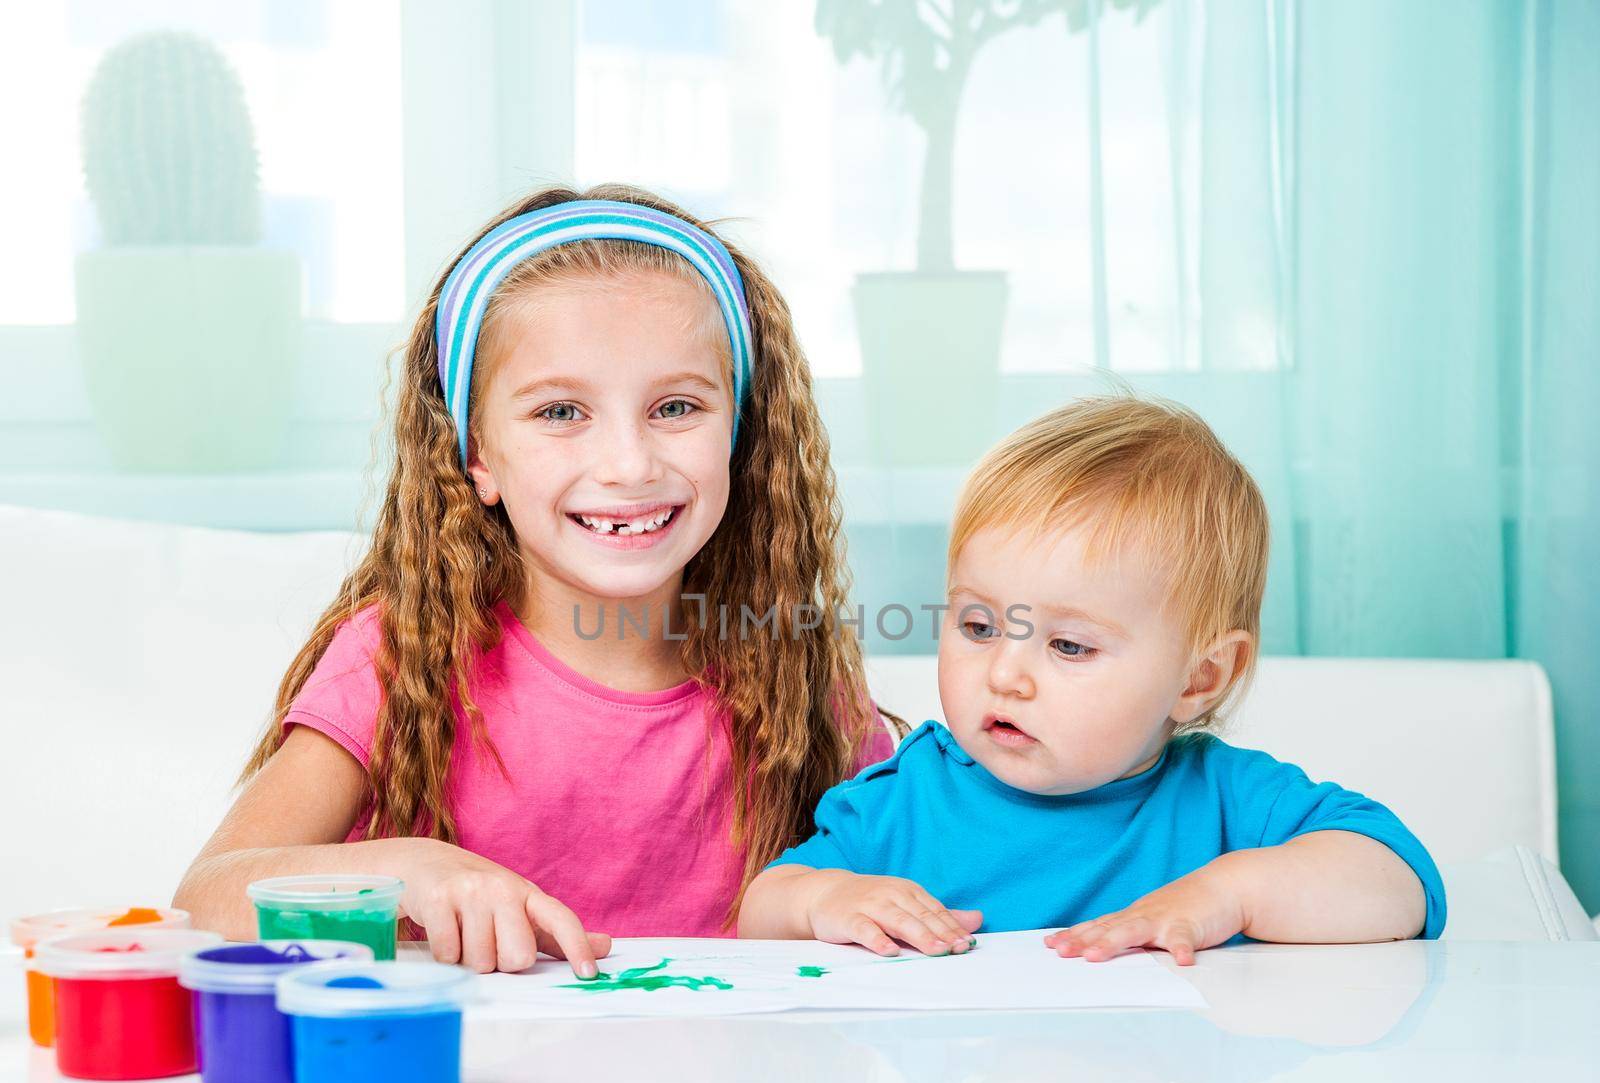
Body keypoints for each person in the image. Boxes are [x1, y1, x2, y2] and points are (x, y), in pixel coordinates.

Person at [175, 185, 894, 974]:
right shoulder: (406, 656)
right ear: (477, 454)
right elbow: (204, 898)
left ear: (739, 430)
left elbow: (924, 893)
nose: (629, 464)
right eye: (559, 413)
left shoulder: (790, 669)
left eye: (676, 406)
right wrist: (409, 868)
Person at [740, 394, 1446, 964]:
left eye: (1069, 645)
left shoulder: (1223, 800)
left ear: (1199, 677)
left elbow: (1400, 883)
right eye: (978, 627)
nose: (1006, 673)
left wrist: (1229, 894)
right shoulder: (906, 801)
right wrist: (823, 899)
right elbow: (762, 910)